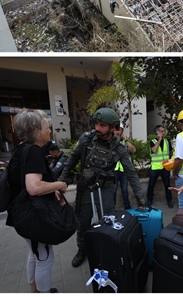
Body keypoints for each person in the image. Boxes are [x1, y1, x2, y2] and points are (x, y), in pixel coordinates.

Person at [59, 108, 144, 268]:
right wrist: (61, 180)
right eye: (96, 124)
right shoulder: (86, 139)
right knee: (83, 222)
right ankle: (82, 249)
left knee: (107, 222)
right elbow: (71, 160)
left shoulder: (120, 148)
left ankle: (106, 249)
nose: (97, 128)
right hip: (85, 188)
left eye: (102, 125)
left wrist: (140, 199)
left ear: (113, 128)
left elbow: (131, 173)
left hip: (105, 189)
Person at [7, 110, 67, 292]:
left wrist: (50, 189)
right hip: (33, 215)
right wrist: (59, 185)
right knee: (45, 258)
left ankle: (34, 290)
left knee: (34, 254)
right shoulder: (33, 151)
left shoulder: (21, 149)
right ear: (36, 131)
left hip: (21, 213)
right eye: (47, 127)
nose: (50, 130)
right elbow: (33, 187)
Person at [146, 125, 173, 209]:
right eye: (161, 131)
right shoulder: (152, 141)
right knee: (151, 185)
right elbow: (154, 150)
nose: (163, 133)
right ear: (157, 132)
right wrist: (159, 140)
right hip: (155, 168)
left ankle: (169, 201)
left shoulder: (167, 142)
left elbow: (171, 152)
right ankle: (149, 200)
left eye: (164, 131)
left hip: (165, 168)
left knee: (167, 185)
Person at [111, 124, 137, 210]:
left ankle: (127, 207)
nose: (118, 132)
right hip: (113, 170)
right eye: (116, 130)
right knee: (113, 190)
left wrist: (126, 139)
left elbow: (133, 150)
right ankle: (112, 208)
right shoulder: (109, 142)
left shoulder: (123, 143)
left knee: (125, 189)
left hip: (123, 170)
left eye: (120, 130)